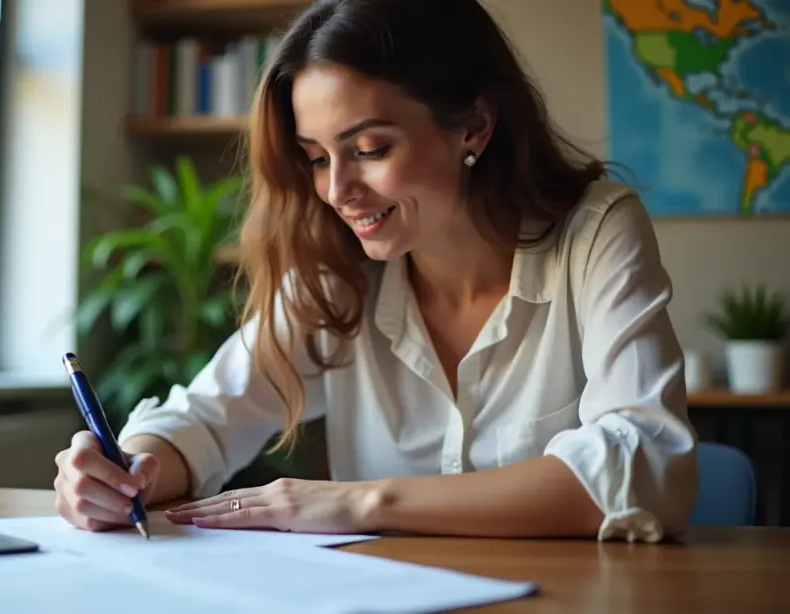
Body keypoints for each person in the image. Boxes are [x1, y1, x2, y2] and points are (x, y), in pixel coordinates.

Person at [54, 0, 698, 543]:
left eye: (370, 149)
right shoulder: (337, 268)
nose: (338, 190)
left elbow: (646, 464)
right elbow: (202, 419)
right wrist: (125, 472)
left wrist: (360, 503)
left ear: (473, 126)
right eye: (315, 157)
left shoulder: (594, 232)